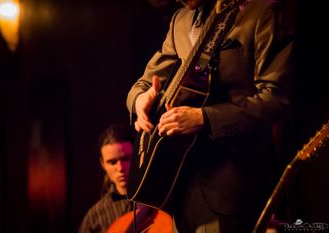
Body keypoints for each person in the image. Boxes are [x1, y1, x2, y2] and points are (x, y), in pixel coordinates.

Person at [126, 0, 294, 232]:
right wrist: (139, 99)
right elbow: (146, 82)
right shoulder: (180, 20)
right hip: (178, 188)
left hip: (232, 187)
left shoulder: (263, 12)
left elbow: (277, 100)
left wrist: (204, 118)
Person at [78, 124, 134, 233]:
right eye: (112, 162)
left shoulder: (158, 200)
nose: (120, 168)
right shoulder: (95, 216)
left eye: (126, 159)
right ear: (103, 164)